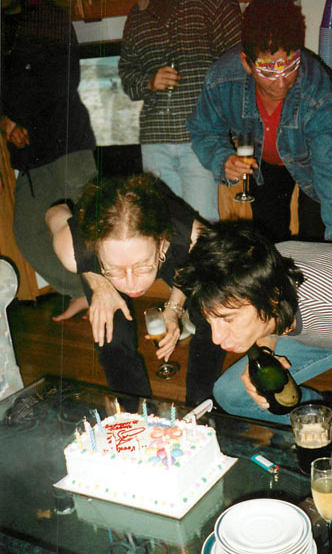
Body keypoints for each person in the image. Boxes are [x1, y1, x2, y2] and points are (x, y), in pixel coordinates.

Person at [175, 221, 332, 447]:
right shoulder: (264, 276)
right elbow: (278, 316)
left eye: (228, 319)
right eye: (212, 320)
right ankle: (324, 411)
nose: (216, 339)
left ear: (271, 299)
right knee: (233, 392)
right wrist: (266, 350)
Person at [187, 0, 332, 244]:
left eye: (290, 66)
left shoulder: (315, 88)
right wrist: (222, 158)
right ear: (246, 63)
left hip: (316, 164)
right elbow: (203, 129)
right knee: (267, 243)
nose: (281, 82)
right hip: (263, 163)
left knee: (318, 243)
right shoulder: (222, 79)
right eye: (269, 70)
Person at [45, 174, 226, 410]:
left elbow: (190, 267)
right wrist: (99, 283)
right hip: (99, 246)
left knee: (210, 310)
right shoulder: (73, 250)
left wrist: (174, 309)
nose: (131, 285)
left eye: (142, 267)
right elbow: (54, 212)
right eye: (117, 270)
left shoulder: (192, 237)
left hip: (171, 237)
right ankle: (136, 416)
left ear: (162, 246)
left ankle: (203, 408)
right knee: (110, 333)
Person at [0, 0, 97, 320]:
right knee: (28, 231)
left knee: (88, 226)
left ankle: (105, 292)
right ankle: (82, 291)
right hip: (28, 152)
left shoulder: (49, 15)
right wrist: (5, 121)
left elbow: (60, 80)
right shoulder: (3, 25)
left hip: (64, 140)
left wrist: (18, 119)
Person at [118, 0, 242, 222]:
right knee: (162, 228)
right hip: (155, 142)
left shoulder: (214, 1)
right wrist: (149, 81)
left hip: (200, 140)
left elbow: (238, 64)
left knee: (200, 228)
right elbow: (126, 76)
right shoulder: (137, 14)